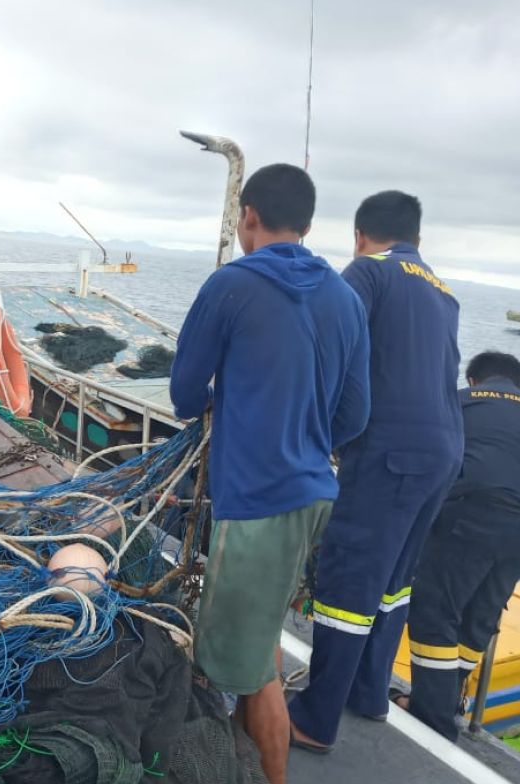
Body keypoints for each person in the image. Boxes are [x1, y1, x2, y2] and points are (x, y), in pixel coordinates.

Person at [170, 163, 371, 784]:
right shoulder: (346, 296)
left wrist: (235, 409)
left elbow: (183, 393)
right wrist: (302, 441)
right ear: (308, 225)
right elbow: (355, 414)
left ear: (247, 215)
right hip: (314, 494)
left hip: (256, 503)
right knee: (257, 641)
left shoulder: (230, 284)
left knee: (247, 666)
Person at [289, 191, 463, 752]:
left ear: (360, 235)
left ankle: (314, 719)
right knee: (393, 581)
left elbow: (329, 342)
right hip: (444, 452)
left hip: (390, 452)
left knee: (349, 573)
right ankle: (368, 693)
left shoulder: (368, 271)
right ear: (418, 236)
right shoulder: (442, 289)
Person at [401, 352, 520, 740]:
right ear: (518, 384)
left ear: (474, 378)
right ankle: (450, 701)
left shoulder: (464, 400)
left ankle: (432, 716)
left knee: (434, 610)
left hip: (477, 512)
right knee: (480, 612)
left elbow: (437, 458)